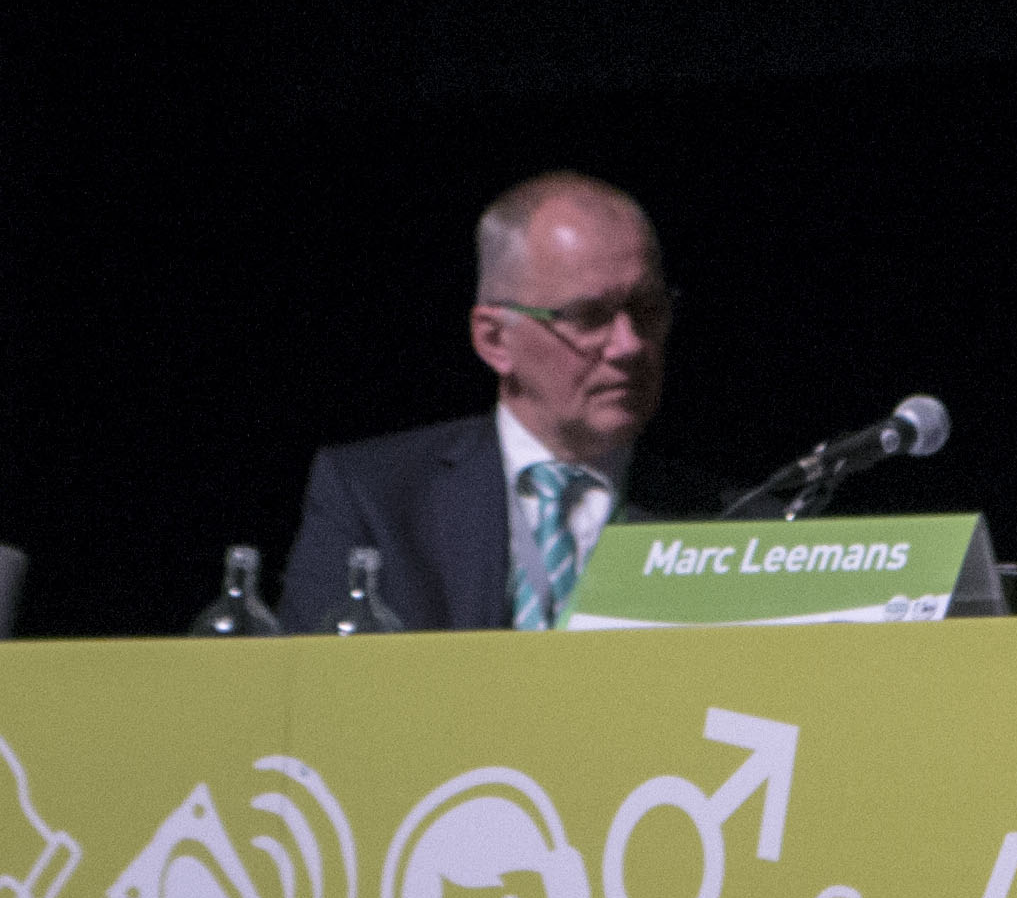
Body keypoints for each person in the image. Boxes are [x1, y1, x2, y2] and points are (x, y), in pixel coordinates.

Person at [279, 171, 723, 633]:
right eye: (589, 317)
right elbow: (314, 688)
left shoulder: (729, 523)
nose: (629, 346)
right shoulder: (374, 498)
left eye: (647, 310)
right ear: (495, 339)